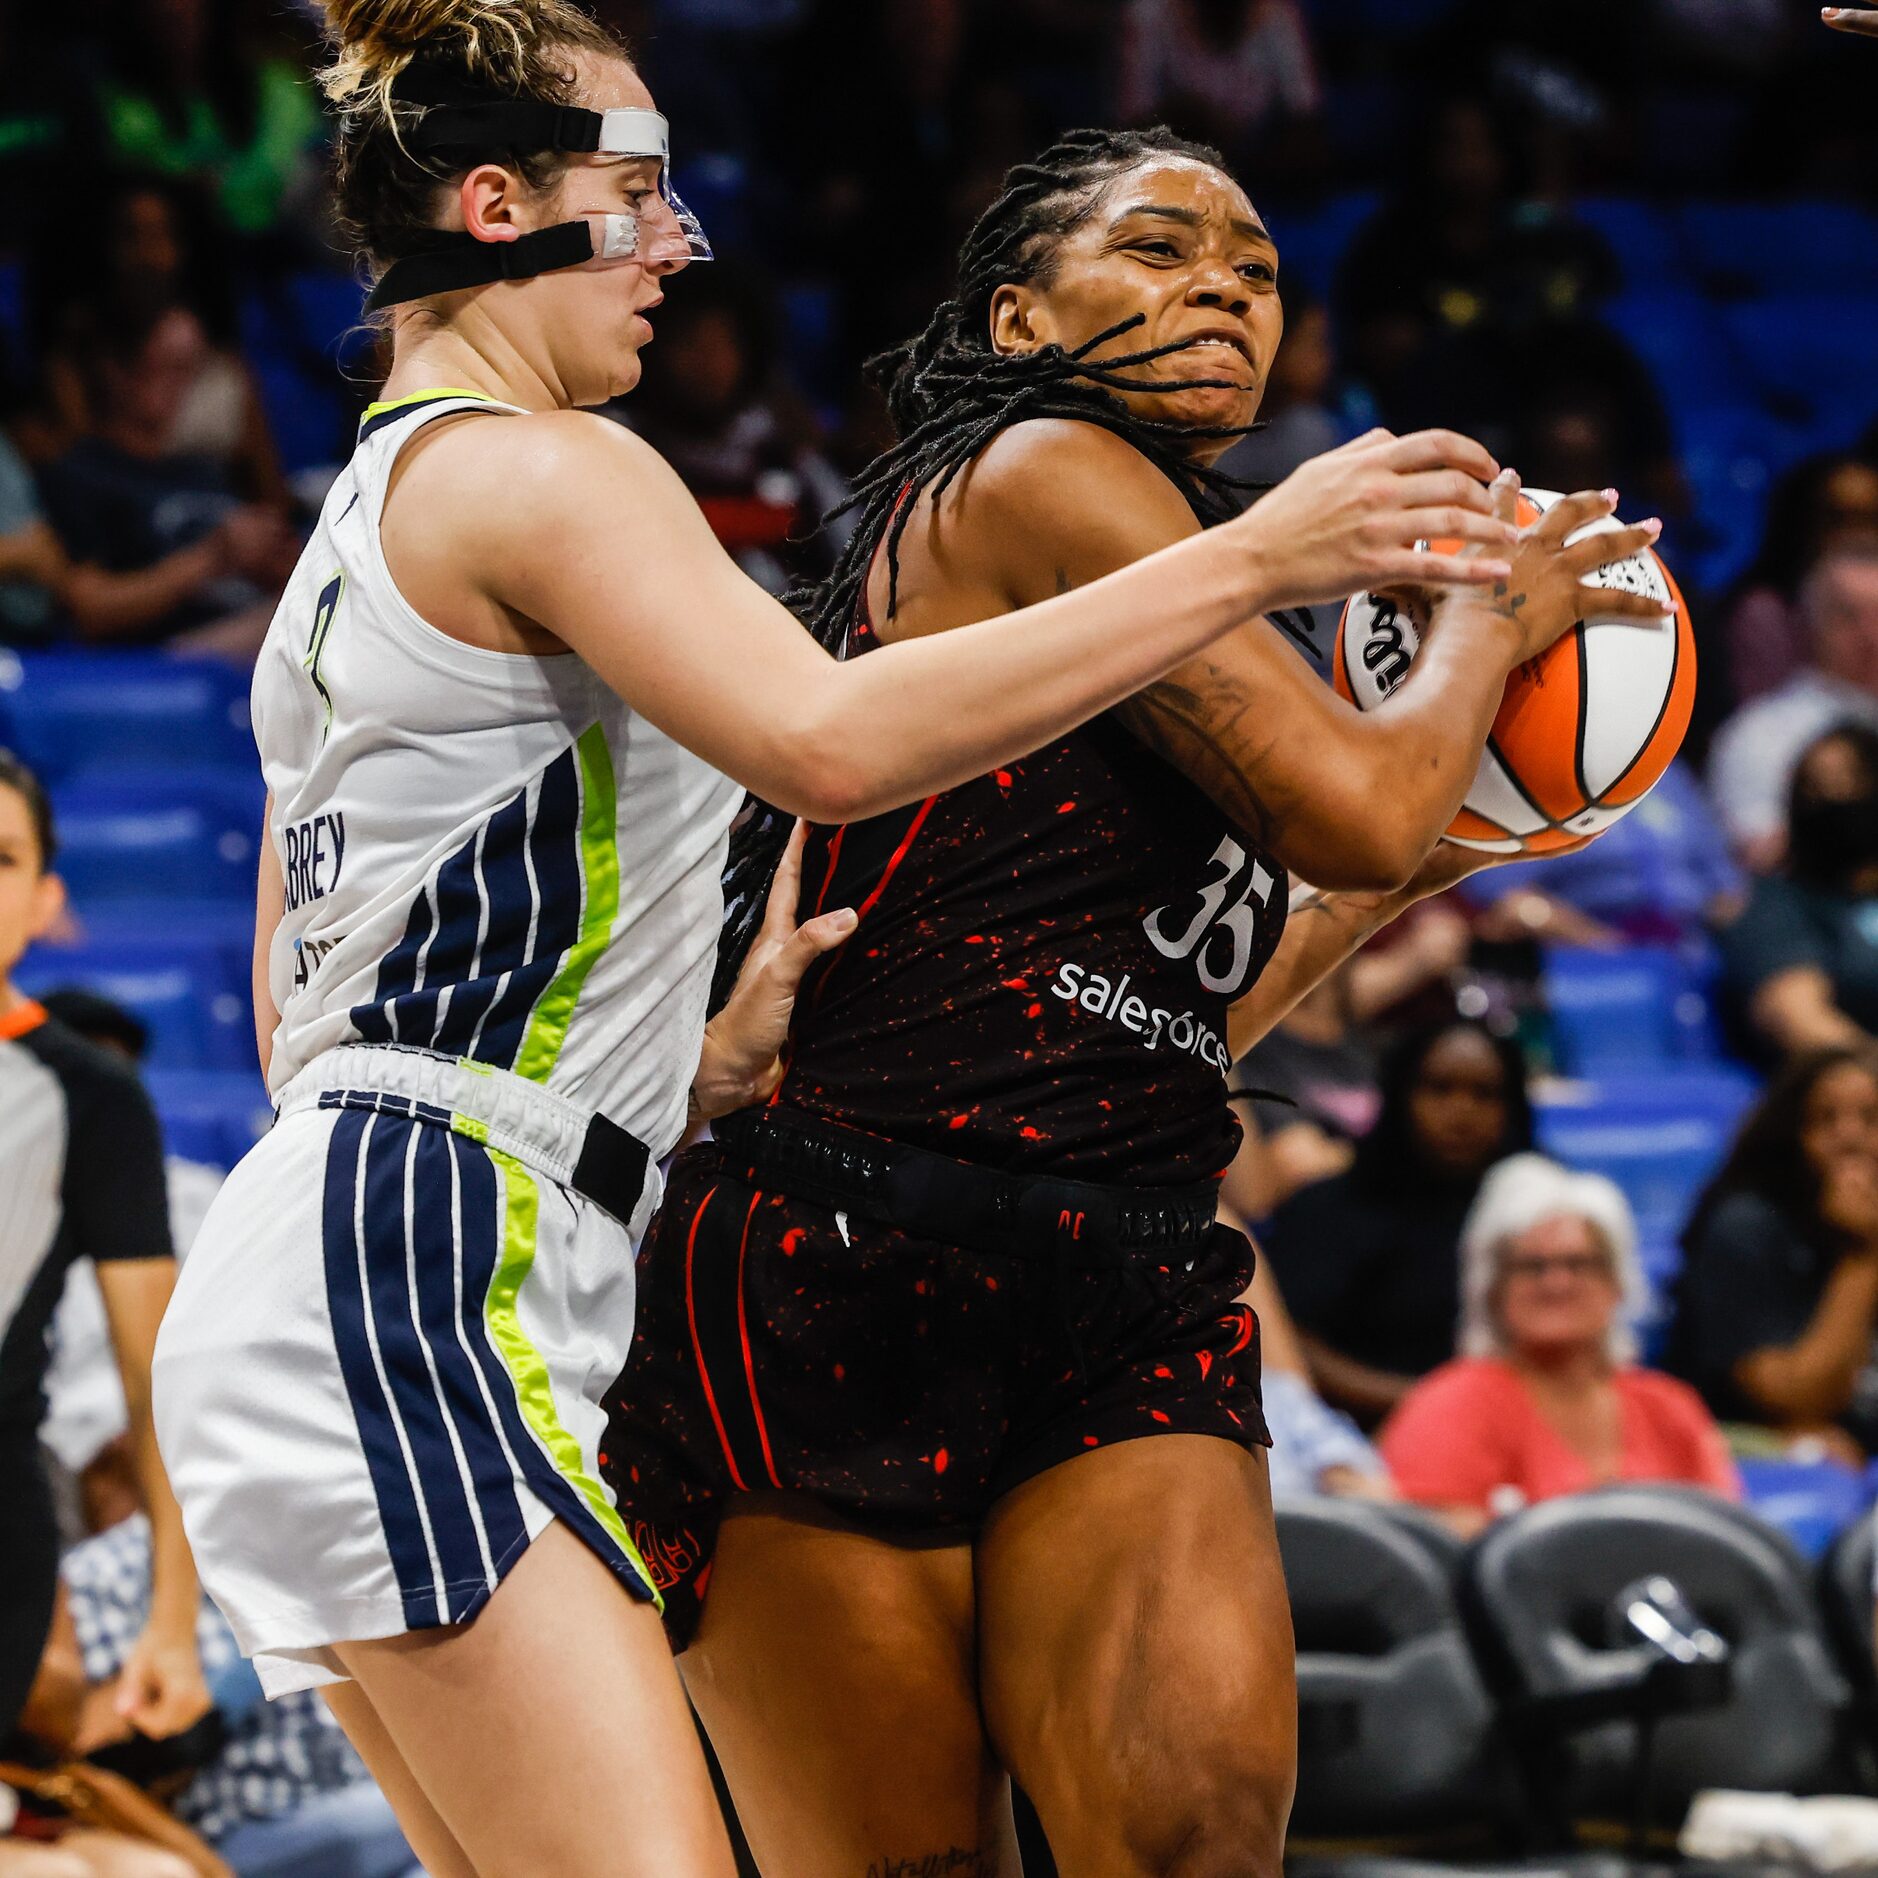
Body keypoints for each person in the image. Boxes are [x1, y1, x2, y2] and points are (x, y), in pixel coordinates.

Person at [146, 5, 1542, 1872]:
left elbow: (297, 1003)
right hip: (436, 1253)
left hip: (386, 1235)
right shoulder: (548, 468)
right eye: (633, 197)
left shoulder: (360, 527)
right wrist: (1260, 553)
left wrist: (682, 1065)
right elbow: (822, 732)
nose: (675, 246)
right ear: (492, 206)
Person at [601, 123, 1665, 1877]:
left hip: (1127, 1252)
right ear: (1015, 316)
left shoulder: (1211, 581)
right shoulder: (1033, 470)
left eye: (1251, 273)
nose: (1221, 297)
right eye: (1159, 253)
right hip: (838, 1250)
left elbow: (1206, 993)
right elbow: (1348, 801)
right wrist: (1488, 618)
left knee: (1187, 1841)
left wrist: (1454, 846)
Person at [0, 753, 207, 1753]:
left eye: (0, 859)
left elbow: (151, 1377)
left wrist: (172, 1624)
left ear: (46, 901)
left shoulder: (93, 1098)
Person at [26, 1515, 423, 1878]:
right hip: (254, 1817)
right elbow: (210, 1869)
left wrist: (177, 1637)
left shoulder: (109, 1573)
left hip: (350, 1707)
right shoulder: (59, 1771)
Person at [1381, 1153, 1739, 1536]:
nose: (1556, 1284)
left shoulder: (1670, 1408)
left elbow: (1731, 1544)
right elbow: (1424, 1549)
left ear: (1618, 1283)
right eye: (1532, 1267)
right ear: (1492, 1289)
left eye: (1579, 1263)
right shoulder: (1450, 1402)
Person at [1261, 1018, 1536, 1428]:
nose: (1462, 1112)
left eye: (1485, 1094)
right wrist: (1429, 1404)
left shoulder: (1539, 1213)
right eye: (1439, 1088)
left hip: (1514, 1430)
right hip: (1352, 1437)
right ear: (1400, 1094)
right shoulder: (1326, 1209)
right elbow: (1288, 1341)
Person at [34, 299, 298, 653]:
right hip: (163, 662)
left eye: (193, 368)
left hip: (249, 631)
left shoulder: (205, 470)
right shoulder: (78, 475)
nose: (184, 386)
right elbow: (91, 609)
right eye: (171, 367)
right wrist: (212, 558)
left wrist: (274, 560)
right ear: (118, 370)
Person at [1664, 1047, 1878, 1456]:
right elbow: (1795, 1399)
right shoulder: (1745, 1227)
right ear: (1791, 1134)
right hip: (1754, 1454)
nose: (1850, 1138)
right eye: (1825, 1119)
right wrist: (1862, 1256)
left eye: (1872, 1118)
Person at [1708, 544, 1878, 869]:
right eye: (1849, 615)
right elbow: (1758, 857)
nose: (1870, 634)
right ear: (1809, 624)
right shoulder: (1758, 733)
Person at [1723, 722, 1878, 1058]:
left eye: (1851, 784)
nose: (1831, 801)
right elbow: (1797, 1018)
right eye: (1813, 787)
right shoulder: (1777, 906)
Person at [1721, 452, 1878, 706]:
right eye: (1841, 518)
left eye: (1871, 519)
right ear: (1804, 522)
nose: (1860, 535)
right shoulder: (1764, 611)